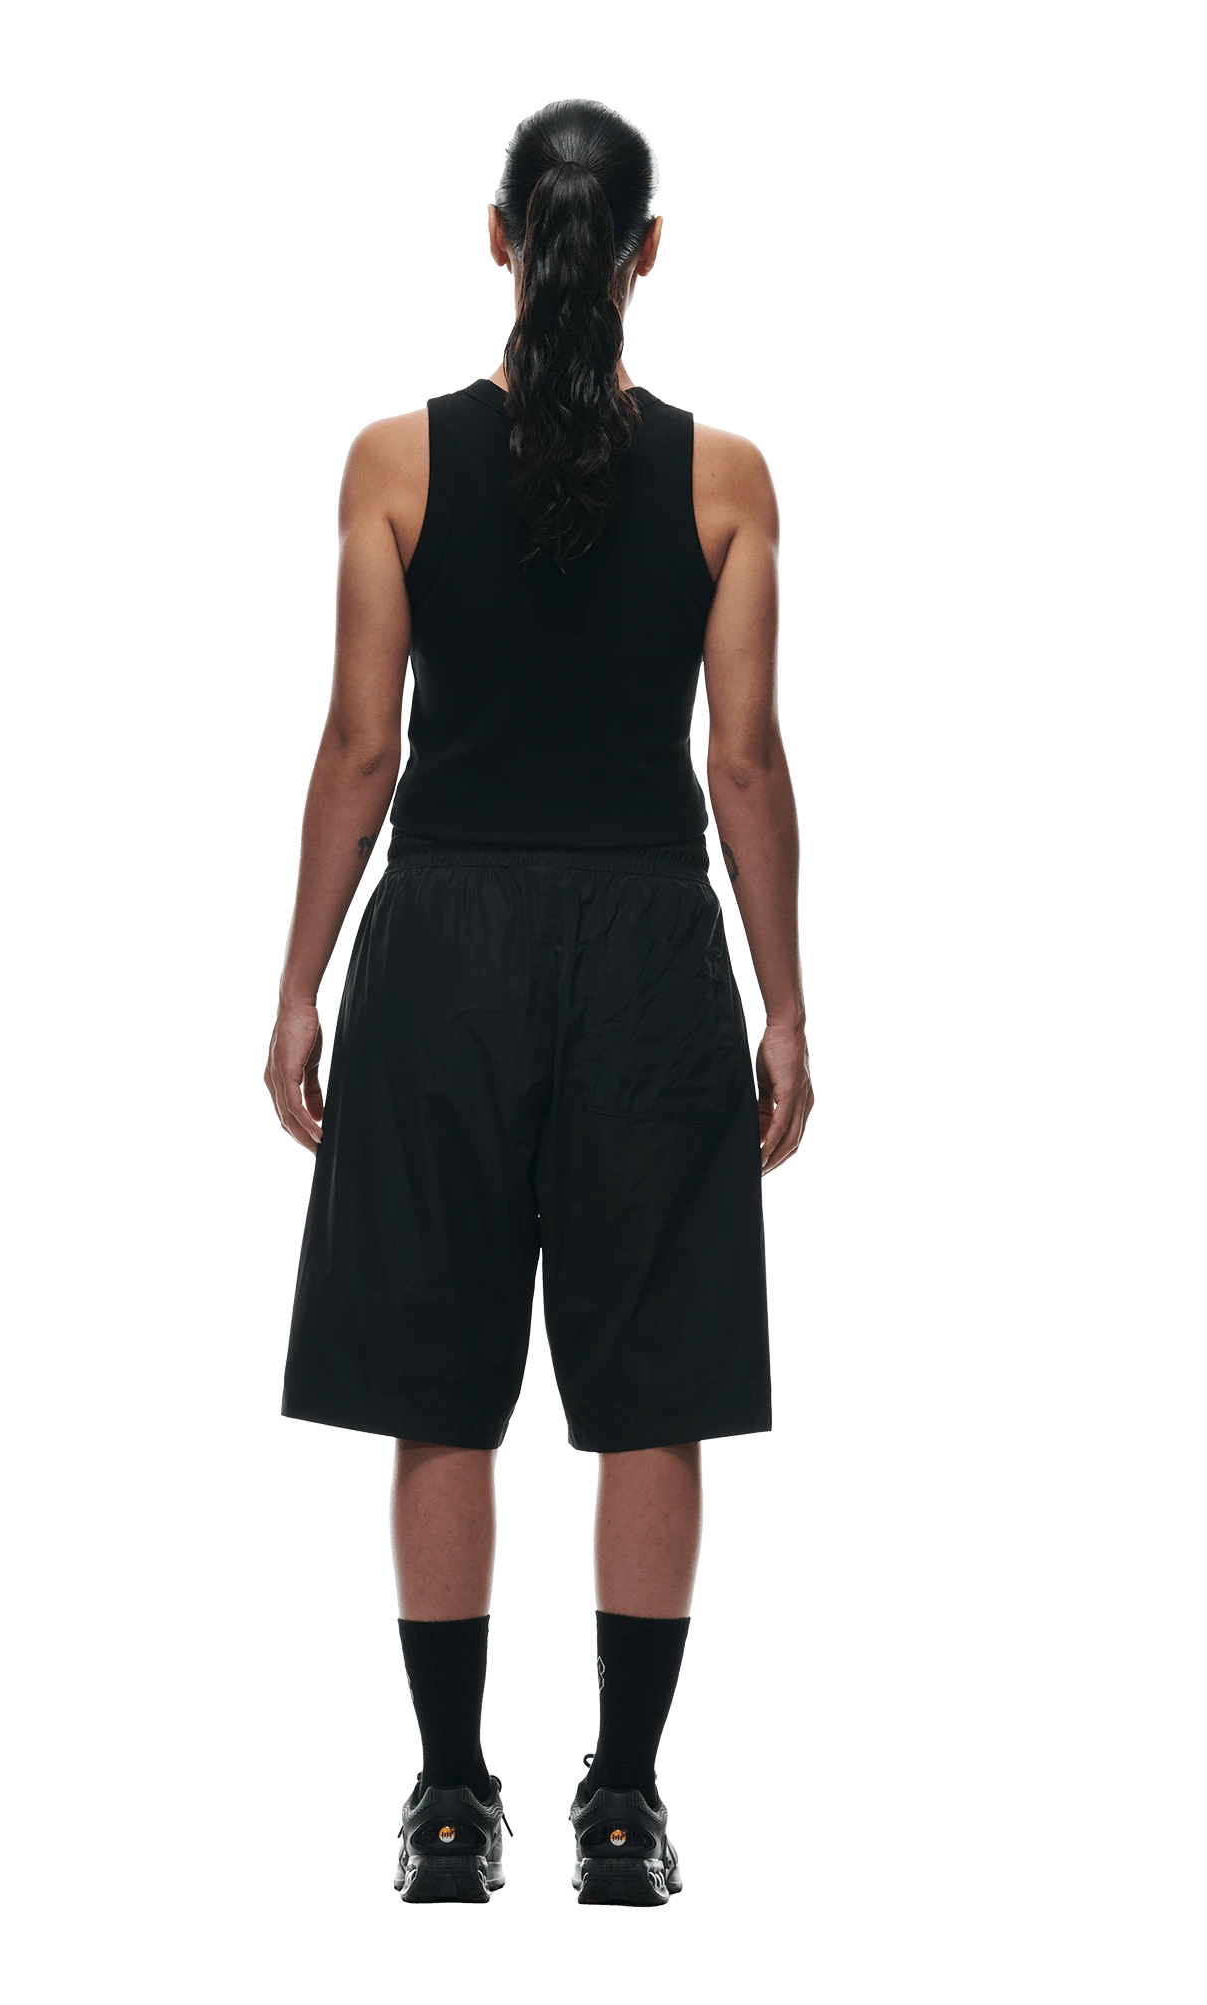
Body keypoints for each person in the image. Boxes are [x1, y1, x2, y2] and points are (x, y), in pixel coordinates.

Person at [266, 99, 812, 1909]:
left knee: (439, 1368)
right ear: (648, 250)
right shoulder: (726, 481)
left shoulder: (393, 464)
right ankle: (627, 1810)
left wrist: (299, 987)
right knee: (653, 1374)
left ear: (500, 239)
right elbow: (745, 764)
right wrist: (786, 1005)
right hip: (651, 948)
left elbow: (360, 749)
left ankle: (445, 1804)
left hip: (445, 947)